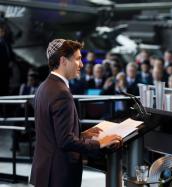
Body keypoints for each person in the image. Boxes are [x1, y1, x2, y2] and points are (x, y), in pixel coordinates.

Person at [30, 39, 122, 187]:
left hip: (46, 171)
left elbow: (54, 133)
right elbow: (65, 141)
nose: (82, 64)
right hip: (59, 174)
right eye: (78, 59)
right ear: (63, 60)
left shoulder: (44, 86)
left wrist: (83, 135)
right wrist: (100, 143)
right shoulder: (61, 92)